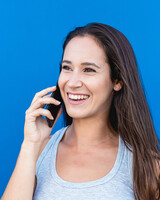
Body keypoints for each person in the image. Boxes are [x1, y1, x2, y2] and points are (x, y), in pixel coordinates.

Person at [1, 23, 160, 200]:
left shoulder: (146, 163)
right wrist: (31, 144)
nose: (72, 82)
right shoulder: (38, 152)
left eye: (89, 70)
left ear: (117, 80)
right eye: (67, 68)